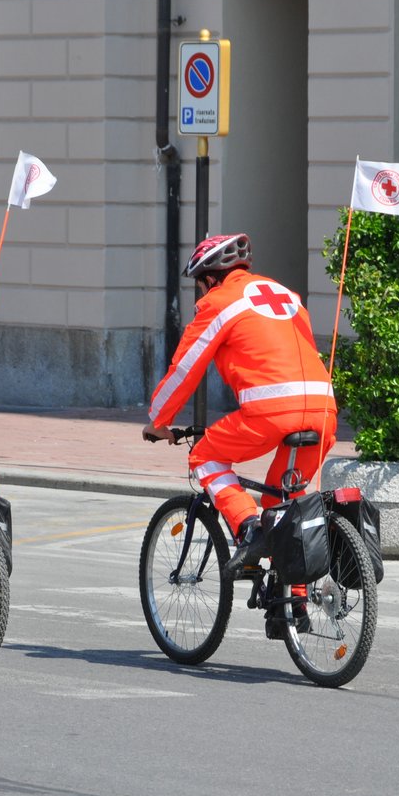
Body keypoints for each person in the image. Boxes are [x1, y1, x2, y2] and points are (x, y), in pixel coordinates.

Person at [143, 233, 338, 580]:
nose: (202, 293)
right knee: (283, 506)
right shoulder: (286, 296)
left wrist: (159, 420)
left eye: (201, 285)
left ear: (209, 278)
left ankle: (249, 529)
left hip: (272, 411)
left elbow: (185, 368)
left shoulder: (220, 302)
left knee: (205, 455)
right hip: (323, 410)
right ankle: (293, 607)